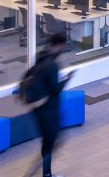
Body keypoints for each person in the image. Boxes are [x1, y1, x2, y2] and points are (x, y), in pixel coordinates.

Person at [26, 34, 73, 177]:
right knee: (51, 142)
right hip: (48, 110)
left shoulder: (41, 56)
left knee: (49, 141)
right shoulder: (52, 65)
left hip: (37, 108)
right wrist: (67, 79)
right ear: (58, 46)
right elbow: (56, 89)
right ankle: (45, 174)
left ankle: (46, 172)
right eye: (63, 46)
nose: (64, 49)